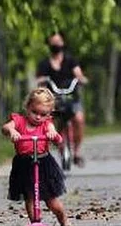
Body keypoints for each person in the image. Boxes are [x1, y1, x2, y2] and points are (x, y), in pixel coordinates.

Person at [2, 88, 72, 226]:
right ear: (27, 107)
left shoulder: (47, 124)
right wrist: (12, 132)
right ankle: (35, 223)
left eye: (44, 114)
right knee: (30, 197)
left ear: (49, 113)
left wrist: (53, 135)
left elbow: (56, 136)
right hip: (24, 164)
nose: (38, 117)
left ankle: (64, 220)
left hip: (43, 164)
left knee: (51, 200)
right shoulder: (19, 121)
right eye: (35, 112)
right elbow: (6, 127)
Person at [36, 32, 89, 166]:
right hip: (53, 101)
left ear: (63, 44)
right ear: (49, 45)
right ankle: (59, 146)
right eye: (53, 43)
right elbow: (39, 80)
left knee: (79, 119)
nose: (56, 45)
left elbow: (79, 74)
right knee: (49, 123)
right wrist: (42, 80)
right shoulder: (44, 64)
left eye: (58, 42)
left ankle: (76, 152)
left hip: (71, 98)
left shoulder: (70, 61)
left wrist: (81, 79)